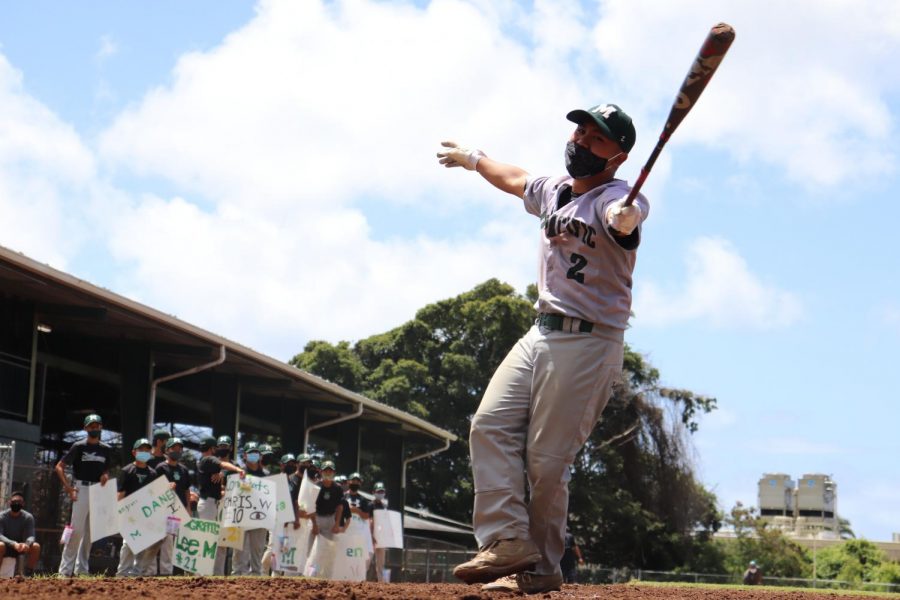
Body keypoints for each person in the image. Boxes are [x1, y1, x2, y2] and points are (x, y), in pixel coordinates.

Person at [437, 102, 648, 594]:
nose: (581, 142)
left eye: (596, 139)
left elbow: (630, 220)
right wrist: (474, 158)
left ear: (617, 156)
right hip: (541, 331)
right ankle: (508, 540)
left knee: (547, 462)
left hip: (590, 340)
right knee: (488, 425)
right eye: (580, 132)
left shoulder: (617, 198)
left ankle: (541, 569)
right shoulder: (556, 191)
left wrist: (625, 220)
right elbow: (515, 179)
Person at [55, 413, 112, 576]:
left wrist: (106, 475)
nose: (94, 428)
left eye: (97, 425)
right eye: (91, 426)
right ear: (86, 428)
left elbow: (106, 468)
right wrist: (68, 488)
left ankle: (82, 570)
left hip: (98, 490)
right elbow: (59, 466)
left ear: (101, 427)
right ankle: (65, 571)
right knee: (77, 530)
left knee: (90, 532)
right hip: (82, 488)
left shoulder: (106, 449)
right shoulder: (78, 446)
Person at [195, 435, 244, 575]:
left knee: (221, 541)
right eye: (218, 447)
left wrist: (224, 475)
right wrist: (237, 470)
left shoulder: (210, 462)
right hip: (209, 502)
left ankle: (217, 574)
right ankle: (202, 573)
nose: (220, 449)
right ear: (212, 448)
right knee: (207, 539)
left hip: (221, 505)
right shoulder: (209, 459)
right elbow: (222, 465)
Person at [116, 438, 163, 577]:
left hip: (146, 513)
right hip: (129, 514)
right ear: (134, 452)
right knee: (129, 543)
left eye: (147, 450)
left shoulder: (153, 473)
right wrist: (118, 512)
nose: (145, 452)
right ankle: (123, 572)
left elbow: (155, 494)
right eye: (141, 450)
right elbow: (121, 493)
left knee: (149, 542)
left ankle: (137, 572)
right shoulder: (127, 470)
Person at [150, 436, 192, 576]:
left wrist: (188, 508)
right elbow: (153, 489)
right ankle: (153, 571)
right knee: (158, 540)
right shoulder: (160, 468)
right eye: (174, 448)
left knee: (169, 541)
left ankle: (166, 572)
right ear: (167, 450)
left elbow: (186, 490)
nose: (178, 451)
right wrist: (165, 486)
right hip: (162, 509)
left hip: (176, 511)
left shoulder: (184, 470)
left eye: (180, 448)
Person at [231, 441, 268, 575]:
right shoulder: (238, 474)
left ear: (260, 456)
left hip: (260, 517)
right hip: (241, 515)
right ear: (245, 456)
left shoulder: (266, 475)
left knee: (257, 550)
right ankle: (237, 575)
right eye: (250, 453)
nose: (254, 456)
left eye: (256, 453)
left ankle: (256, 578)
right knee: (238, 550)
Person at [0, 491, 41, 576]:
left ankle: (28, 574)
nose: (17, 504)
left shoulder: (28, 517)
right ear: (9, 502)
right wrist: (13, 544)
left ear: (23, 504)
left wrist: (27, 544)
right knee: (0, 545)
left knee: (36, 547)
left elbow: (31, 535)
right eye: (14, 502)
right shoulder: (1, 516)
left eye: (19, 502)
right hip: (6, 547)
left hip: (21, 548)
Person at [370, 481, 389, 582]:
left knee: (381, 562)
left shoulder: (385, 506)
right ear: (373, 492)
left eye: (382, 491)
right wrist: (371, 535)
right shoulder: (370, 505)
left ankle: (381, 582)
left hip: (381, 537)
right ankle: (360, 580)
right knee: (367, 560)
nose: (380, 493)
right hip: (370, 536)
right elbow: (368, 521)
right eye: (378, 491)